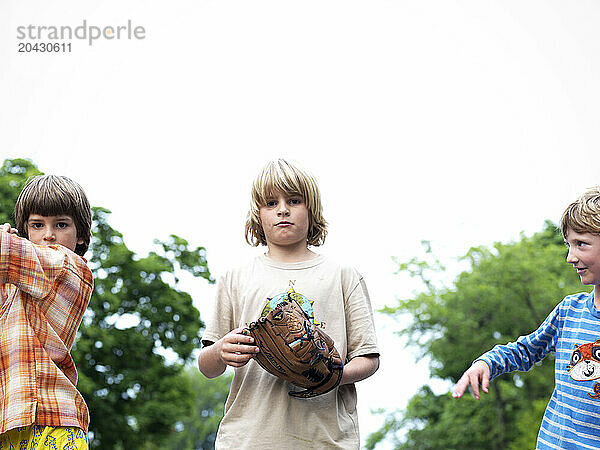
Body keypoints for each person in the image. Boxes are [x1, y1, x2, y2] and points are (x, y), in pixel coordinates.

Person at [197, 159, 380, 449]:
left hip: (325, 440)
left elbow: (369, 358)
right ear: (258, 215)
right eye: (271, 203)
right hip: (248, 439)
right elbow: (207, 366)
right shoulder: (235, 278)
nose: (283, 209)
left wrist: (327, 375)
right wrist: (221, 351)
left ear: (311, 209)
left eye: (293, 200)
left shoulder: (343, 276)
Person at [453, 186, 600, 449]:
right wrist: (486, 363)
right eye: (569, 245)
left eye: (581, 244)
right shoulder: (569, 310)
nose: (570, 257)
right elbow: (524, 350)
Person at [0, 175, 93, 449]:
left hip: (52, 422)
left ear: (81, 236)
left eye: (61, 224)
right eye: (37, 225)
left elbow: (10, 254)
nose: (48, 234)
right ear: (26, 231)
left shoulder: (69, 268)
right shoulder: (16, 287)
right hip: (10, 423)